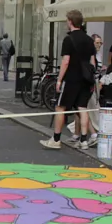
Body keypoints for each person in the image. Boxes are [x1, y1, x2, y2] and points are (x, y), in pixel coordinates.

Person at [41, 10, 96, 150]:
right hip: (86, 79)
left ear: (70, 21)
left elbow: (66, 61)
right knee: (82, 107)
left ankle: (56, 139)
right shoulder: (90, 40)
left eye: (67, 20)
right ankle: (84, 140)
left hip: (71, 78)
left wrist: (59, 80)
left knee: (60, 107)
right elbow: (92, 62)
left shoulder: (69, 39)